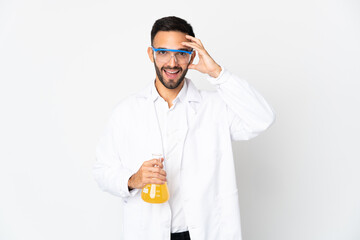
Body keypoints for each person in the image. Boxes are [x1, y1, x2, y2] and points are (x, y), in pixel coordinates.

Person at [93, 16, 275, 240]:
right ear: (151, 54)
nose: (172, 63)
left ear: (191, 57)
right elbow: (102, 171)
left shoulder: (215, 109)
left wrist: (217, 72)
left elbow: (262, 118)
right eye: (163, 52)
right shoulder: (126, 112)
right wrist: (133, 180)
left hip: (205, 232)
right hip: (150, 231)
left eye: (181, 53)